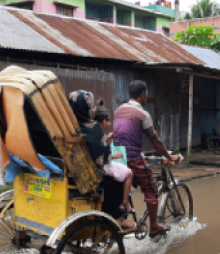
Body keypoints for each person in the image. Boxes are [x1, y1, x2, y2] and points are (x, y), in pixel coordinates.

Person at [112, 80, 182, 237]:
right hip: (133, 159)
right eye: (147, 93)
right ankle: (154, 227)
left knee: (124, 188)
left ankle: (121, 217)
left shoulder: (118, 110)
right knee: (151, 190)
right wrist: (169, 156)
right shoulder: (143, 114)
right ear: (143, 95)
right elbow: (156, 141)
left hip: (118, 160)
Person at [68, 90, 135, 229]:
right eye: (91, 106)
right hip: (93, 173)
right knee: (125, 175)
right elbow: (103, 157)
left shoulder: (69, 126)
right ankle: (119, 216)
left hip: (73, 172)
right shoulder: (93, 128)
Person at [94, 102, 135, 218]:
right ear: (100, 122)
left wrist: (108, 138)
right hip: (102, 167)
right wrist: (115, 156)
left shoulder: (94, 133)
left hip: (100, 166)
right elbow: (100, 154)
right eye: (107, 120)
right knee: (128, 173)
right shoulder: (98, 135)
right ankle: (125, 203)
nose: (109, 123)